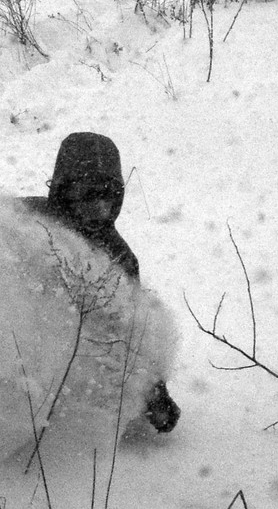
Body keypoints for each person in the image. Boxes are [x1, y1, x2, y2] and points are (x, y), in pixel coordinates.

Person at [20, 132, 180, 432]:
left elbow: (131, 333)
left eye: (108, 194)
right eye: (86, 193)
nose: (98, 205)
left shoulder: (118, 259)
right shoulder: (23, 221)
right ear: (63, 191)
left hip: (67, 376)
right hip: (10, 351)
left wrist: (154, 394)